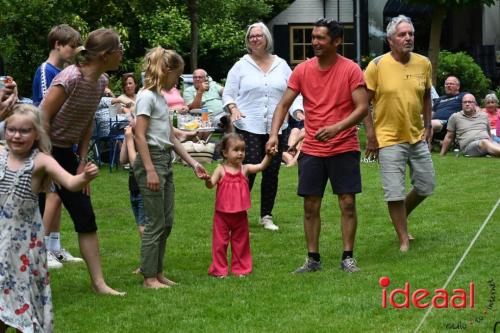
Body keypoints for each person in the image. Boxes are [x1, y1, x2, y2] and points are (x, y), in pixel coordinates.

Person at [266, 18, 368, 273]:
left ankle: (347, 257)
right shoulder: (302, 70)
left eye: (321, 38)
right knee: (310, 205)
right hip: (312, 148)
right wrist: (273, 135)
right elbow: (283, 105)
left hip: (344, 146)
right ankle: (313, 259)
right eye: (313, 37)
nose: (315, 42)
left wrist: (336, 128)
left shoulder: (351, 69)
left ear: (336, 41)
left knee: (347, 203)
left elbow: (362, 107)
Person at [40, 28, 125, 295]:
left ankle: (98, 283)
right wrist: (43, 162)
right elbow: (42, 116)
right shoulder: (71, 77)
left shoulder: (100, 82)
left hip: (66, 153)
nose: (122, 52)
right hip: (41, 149)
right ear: (105, 55)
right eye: (119, 48)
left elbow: (87, 120)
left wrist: (81, 160)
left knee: (85, 216)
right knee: (32, 219)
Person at [0, 104, 99, 333]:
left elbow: (70, 183)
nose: (17, 135)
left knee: (25, 300)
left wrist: (84, 177)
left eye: (24, 131)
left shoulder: (41, 160)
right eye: (11, 129)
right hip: (1, 240)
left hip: (24, 247)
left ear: (36, 134)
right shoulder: (1, 153)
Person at [133, 47, 209, 289]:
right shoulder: (146, 96)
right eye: (176, 75)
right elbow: (139, 135)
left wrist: (194, 163)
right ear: (165, 71)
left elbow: (171, 138)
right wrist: (150, 169)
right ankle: (149, 277)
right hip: (152, 161)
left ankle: (158, 272)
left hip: (164, 160)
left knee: (166, 222)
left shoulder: (159, 97)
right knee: (155, 222)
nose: (177, 80)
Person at [363, 15, 435, 252]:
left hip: (416, 136)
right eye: (402, 34)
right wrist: (371, 137)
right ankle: (404, 238)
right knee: (394, 192)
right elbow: (364, 104)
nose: (408, 38)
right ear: (390, 39)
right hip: (388, 138)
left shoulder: (424, 63)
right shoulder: (376, 66)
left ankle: (401, 214)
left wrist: (428, 126)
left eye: (410, 34)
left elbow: (426, 95)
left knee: (426, 185)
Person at [223, 22, 303, 231]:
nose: (255, 39)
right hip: (248, 124)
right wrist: (233, 108)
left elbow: (292, 93)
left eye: (259, 35)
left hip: (276, 127)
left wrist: (297, 111)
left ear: (267, 38)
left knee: (272, 170)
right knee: (248, 168)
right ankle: (238, 213)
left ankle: (266, 215)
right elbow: (229, 93)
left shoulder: (282, 65)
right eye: (251, 36)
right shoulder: (241, 65)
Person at [32, 24, 84, 269]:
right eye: (71, 46)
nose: (75, 51)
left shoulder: (62, 71)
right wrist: (48, 146)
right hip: (48, 142)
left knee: (59, 195)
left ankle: (54, 246)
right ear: (57, 45)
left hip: (63, 143)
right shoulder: (46, 71)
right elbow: (45, 110)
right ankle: (41, 249)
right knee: (52, 193)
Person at [204, 133, 274, 277]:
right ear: (225, 153)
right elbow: (210, 184)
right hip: (222, 215)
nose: (240, 153)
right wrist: (206, 179)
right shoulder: (220, 169)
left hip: (240, 215)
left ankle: (241, 269)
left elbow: (261, 166)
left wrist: (269, 155)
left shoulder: (245, 169)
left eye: (242, 150)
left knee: (241, 243)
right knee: (220, 244)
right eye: (236, 150)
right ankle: (219, 270)